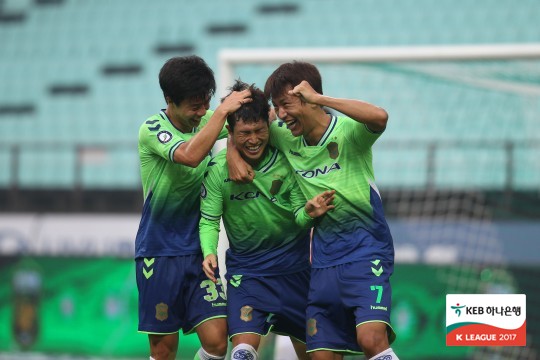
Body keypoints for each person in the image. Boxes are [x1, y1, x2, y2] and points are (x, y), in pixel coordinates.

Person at [262, 61, 400, 360]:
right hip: (323, 264)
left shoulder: (350, 133)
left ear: (309, 97)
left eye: (286, 104)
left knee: (371, 338)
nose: (281, 115)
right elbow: (243, 127)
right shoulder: (286, 137)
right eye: (276, 106)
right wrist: (233, 155)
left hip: (366, 253)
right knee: (322, 356)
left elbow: (380, 116)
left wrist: (322, 99)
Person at [199, 80, 336, 360]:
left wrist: (309, 214)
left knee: (322, 357)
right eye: (244, 133)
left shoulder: (287, 159)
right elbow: (208, 221)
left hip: (295, 273)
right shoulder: (216, 171)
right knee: (241, 353)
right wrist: (209, 252)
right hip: (248, 276)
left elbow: (300, 217)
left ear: (269, 127)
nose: (253, 139)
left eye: (259, 131)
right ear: (230, 133)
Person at [134, 55, 251, 360]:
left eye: (206, 104)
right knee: (163, 350)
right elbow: (189, 155)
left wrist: (234, 150)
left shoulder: (207, 120)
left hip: (198, 252)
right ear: (169, 100)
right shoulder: (152, 128)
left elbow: (253, 127)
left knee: (216, 340)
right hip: (158, 253)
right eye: (194, 106)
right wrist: (221, 114)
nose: (201, 112)